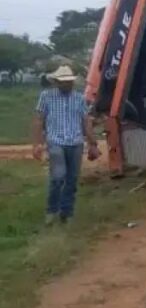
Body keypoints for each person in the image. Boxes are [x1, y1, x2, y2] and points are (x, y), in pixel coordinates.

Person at [31, 66, 101, 225]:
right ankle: (51, 210)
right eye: (63, 82)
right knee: (58, 176)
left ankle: (66, 213)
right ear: (56, 82)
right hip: (55, 141)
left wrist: (93, 144)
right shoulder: (46, 97)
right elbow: (39, 120)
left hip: (75, 143)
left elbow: (86, 122)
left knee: (72, 179)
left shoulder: (79, 98)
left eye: (69, 82)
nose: (67, 85)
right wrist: (37, 144)